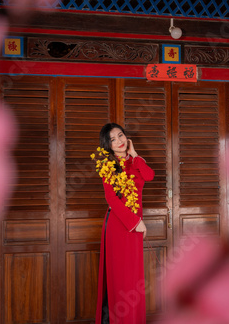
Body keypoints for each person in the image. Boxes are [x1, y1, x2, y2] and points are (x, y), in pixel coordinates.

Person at [95, 123, 155, 324]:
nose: (119, 141)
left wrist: (135, 154)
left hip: (135, 225)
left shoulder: (135, 161)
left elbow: (149, 176)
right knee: (122, 279)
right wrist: (135, 223)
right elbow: (112, 200)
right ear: (108, 145)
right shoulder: (108, 166)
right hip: (119, 225)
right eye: (113, 139)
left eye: (120, 135)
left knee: (134, 279)